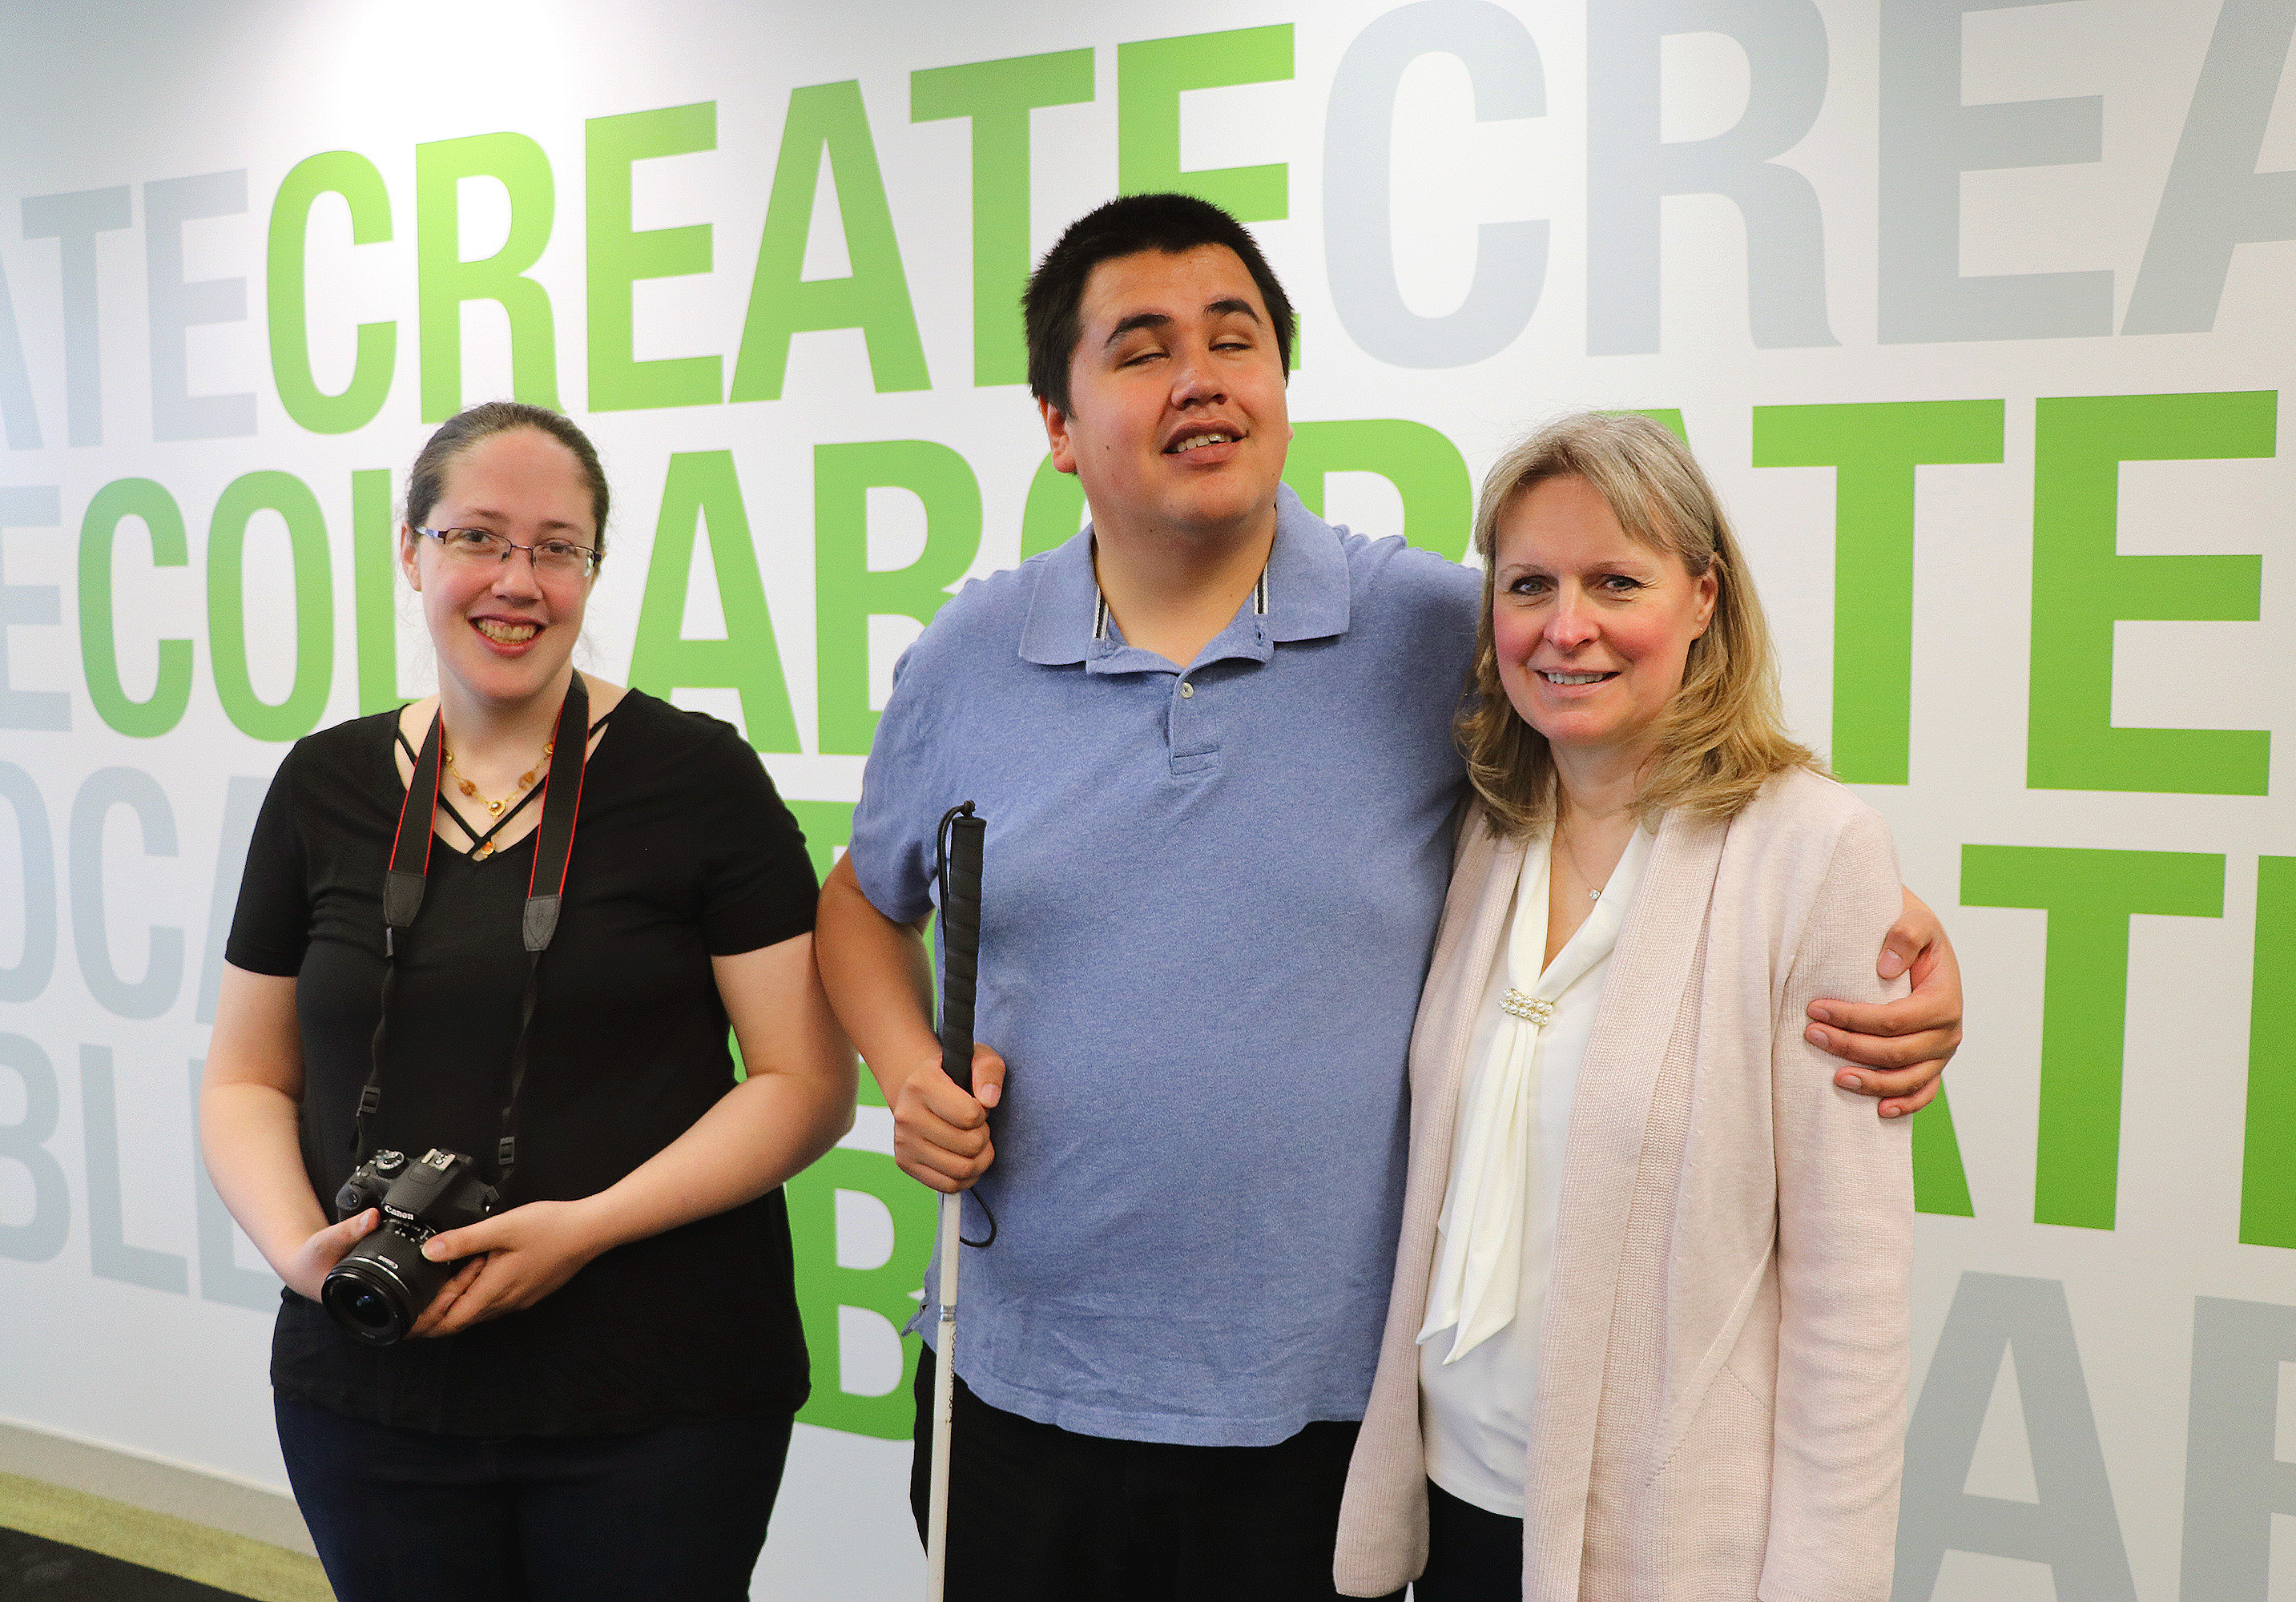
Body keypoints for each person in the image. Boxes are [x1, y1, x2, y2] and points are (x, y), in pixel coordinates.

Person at [814, 193, 1956, 1600]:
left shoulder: (1435, 632)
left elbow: (1653, 756)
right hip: (1017, 1379)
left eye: (1235, 339)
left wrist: (1887, 928)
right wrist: (904, 1067)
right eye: (1143, 348)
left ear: (1282, 386)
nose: (1200, 378)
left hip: (1330, 1425)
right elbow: (863, 904)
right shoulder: (969, 653)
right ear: (1057, 425)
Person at [200, 402, 855, 1601]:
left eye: (559, 547)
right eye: (478, 539)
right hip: (374, 1387)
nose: (519, 580)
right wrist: (303, 1256)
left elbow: (806, 1086)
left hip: (659, 1398)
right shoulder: (324, 785)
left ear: (594, 568)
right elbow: (247, 1078)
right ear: (412, 551)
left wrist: (587, 1226)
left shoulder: (699, 778)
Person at [1333, 413, 1912, 1600]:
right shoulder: (1486, 833)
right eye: (1529, 584)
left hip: (1663, 1558)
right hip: (1452, 1521)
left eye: (1615, 581)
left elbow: (1852, 1305)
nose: (1567, 626)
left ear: (1703, 598)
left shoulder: (1813, 852)